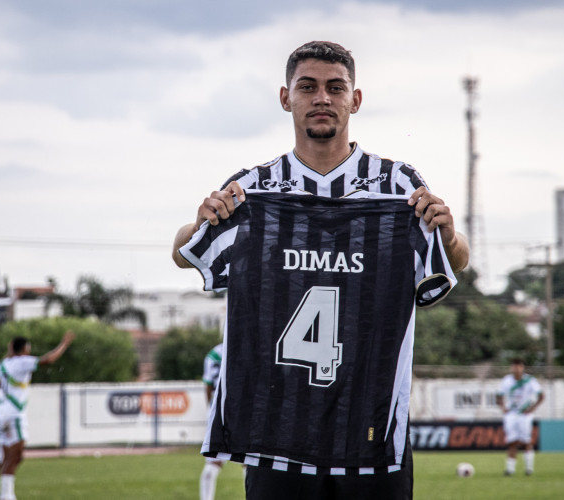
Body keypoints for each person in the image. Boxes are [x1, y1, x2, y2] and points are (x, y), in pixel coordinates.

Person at [173, 41, 469, 500]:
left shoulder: (398, 185)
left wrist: (448, 233)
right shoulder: (253, 189)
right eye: (307, 87)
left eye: (335, 87)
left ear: (355, 99)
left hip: (370, 420)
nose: (322, 98)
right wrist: (201, 220)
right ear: (285, 97)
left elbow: (452, 261)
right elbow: (185, 252)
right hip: (278, 424)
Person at [0, 331, 75, 500]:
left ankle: (5, 492)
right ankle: (7, 495)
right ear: (24, 349)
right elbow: (48, 359)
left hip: (2, 411)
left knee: (13, 455)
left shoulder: (2, 365)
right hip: (15, 413)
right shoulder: (22, 362)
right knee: (16, 455)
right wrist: (64, 344)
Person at [496, 358, 544, 476]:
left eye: (519, 366)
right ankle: (510, 470)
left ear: (523, 367)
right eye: (514, 366)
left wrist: (532, 408)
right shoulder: (507, 380)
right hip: (511, 414)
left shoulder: (530, 380)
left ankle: (529, 469)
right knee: (511, 442)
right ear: (511, 367)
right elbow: (499, 396)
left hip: (524, 414)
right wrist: (503, 408)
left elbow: (541, 395)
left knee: (526, 441)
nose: (517, 368)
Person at [200, 343, 224, 500]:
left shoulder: (213, 354)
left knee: (213, 463)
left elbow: (208, 385)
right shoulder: (246, 347)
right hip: (240, 409)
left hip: (217, 412)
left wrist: (211, 409)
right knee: (249, 462)